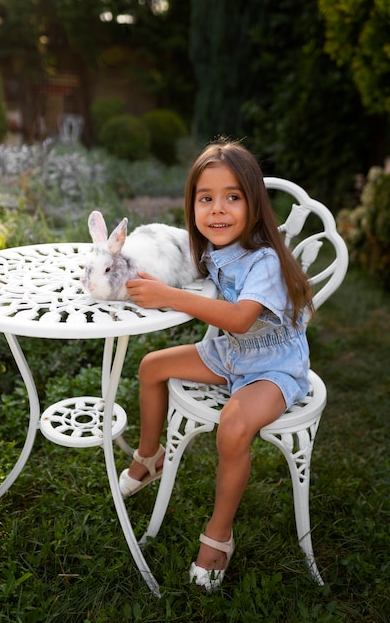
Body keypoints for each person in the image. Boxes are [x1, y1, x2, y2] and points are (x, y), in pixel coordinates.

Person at [119, 137, 314, 593]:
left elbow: (241, 317)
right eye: (206, 199)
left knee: (233, 426)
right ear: (192, 207)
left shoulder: (265, 258)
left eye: (233, 198)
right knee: (152, 366)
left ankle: (219, 533)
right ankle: (150, 458)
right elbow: (186, 272)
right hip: (231, 353)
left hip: (275, 367)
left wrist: (169, 297)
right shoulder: (210, 250)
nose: (218, 210)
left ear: (254, 205)